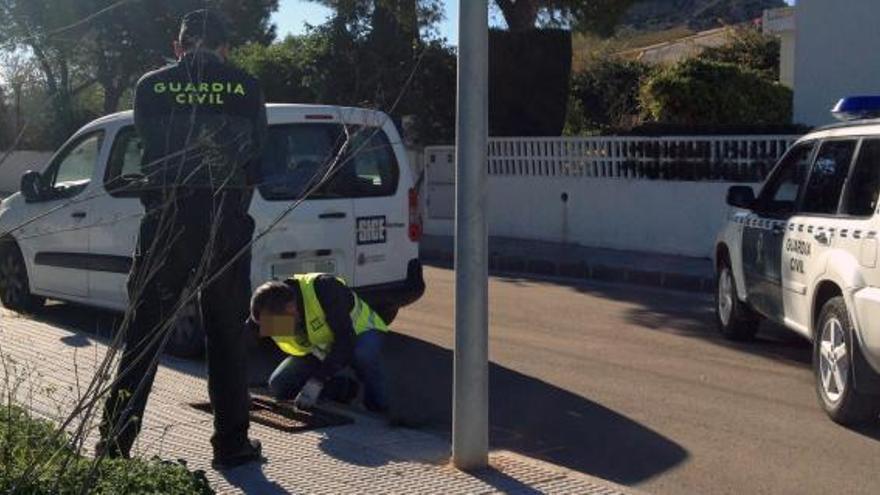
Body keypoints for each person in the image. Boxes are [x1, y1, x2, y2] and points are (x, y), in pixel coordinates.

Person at [98, 9, 267, 470]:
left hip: (166, 220)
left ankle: (114, 445)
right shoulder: (246, 86)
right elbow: (257, 160)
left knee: (145, 334)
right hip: (224, 222)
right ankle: (231, 446)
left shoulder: (151, 85)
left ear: (180, 47)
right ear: (225, 48)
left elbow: (149, 148)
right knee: (226, 335)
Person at [249, 274, 390, 413]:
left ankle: (377, 407)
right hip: (321, 347)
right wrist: (236, 387)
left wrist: (317, 381)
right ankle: (344, 388)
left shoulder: (326, 289)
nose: (271, 328)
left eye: (276, 324)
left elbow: (345, 342)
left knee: (363, 355)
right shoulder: (269, 307)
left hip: (360, 332)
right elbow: (243, 341)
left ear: (291, 308)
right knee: (280, 385)